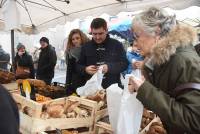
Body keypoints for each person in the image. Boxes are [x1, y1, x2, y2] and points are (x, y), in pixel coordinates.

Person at [129, 7, 200, 134]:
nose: (134, 42)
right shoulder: (165, 59)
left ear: (156, 31)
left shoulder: (183, 60)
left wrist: (145, 90)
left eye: (137, 36)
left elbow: (194, 120)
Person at [76, 18, 128, 89]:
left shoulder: (116, 44)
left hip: (113, 89)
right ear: (91, 32)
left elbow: (124, 64)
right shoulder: (86, 46)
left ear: (106, 31)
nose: (97, 37)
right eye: (94, 34)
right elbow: (78, 66)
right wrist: (85, 69)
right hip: (92, 89)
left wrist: (109, 67)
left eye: (100, 34)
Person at [65, 29, 89, 95]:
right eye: (73, 39)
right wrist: (67, 85)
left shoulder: (88, 49)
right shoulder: (70, 52)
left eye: (77, 38)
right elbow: (69, 71)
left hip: (87, 83)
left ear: (82, 38)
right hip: (75, 83)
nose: (75, 41)